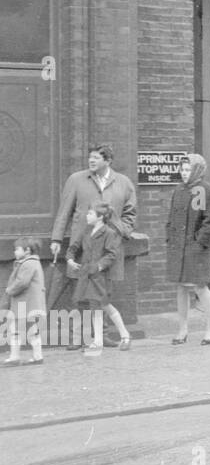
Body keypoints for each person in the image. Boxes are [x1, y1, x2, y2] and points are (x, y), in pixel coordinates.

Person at [48, 144, 137, 315]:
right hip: (82, 244)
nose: (91, 160)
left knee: (103, 292)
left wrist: (121, 231)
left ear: (108, 161)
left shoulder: (124, 183)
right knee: (79, 291)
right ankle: (79, 336)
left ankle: (100, 336)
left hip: (107, 247)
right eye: (90, 157)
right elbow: (64, 211)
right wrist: (56, 239)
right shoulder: (76, 179)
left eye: (96, 158)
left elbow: (130, 213)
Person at [166, 154, 210, 345]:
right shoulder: (178, 190)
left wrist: (198, 244)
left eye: (188, 169)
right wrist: (170, 237)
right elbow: (172, 218)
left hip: (196, 248)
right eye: (182, 169)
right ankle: (182, 329)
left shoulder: (205, 190)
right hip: (178, 247)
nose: (184, 173)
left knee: (199, 286)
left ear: (197, 170)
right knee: (181, 287)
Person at [66, 203, 131, 354]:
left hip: (100, 276)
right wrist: (70, 259)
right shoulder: (87, 230)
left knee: (103, 305)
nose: (87, 216)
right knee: (97, 306)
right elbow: (74, 247)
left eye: (90, 214)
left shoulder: (108, 233)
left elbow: (111, 254)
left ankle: (121, 336)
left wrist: (99, 267)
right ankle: (104, 340)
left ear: (100, 217)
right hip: (86, 275)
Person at [3, 238, 46, 365]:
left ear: (27, 251)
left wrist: (9, 290)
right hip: (30, 305)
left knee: (16, 330)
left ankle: (15, 357)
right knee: (31, 332)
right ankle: (37, 357)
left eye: (17, 249)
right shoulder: (32, 263)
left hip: (26, 305)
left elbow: (22, 283)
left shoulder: (28, 264)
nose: (15, 252)